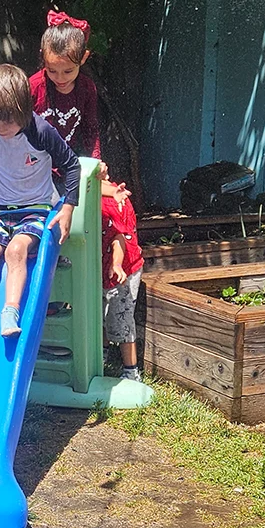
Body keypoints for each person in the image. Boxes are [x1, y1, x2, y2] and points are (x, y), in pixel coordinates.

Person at [0, 64, 81, 340]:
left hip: (36, 209)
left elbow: (73, 165)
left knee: (15, 251)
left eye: (6, 122)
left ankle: (10, 312)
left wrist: (68, 207)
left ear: (23, 110)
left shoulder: (41, 131)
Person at [30, 11, 101, 159]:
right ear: (43, 57)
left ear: (83, 58)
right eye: (52, 70)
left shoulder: (87, 88)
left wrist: (95, 161)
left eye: (68, 71)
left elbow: (90, 129)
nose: (60, 78)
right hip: (34, 166)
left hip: (67, 163)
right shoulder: (33, 87)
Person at [98, 162, 144, 382]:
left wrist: (115, 265)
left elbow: (119, 239)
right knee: (100, 312)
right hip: (98, 266)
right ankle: (102, 356)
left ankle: (131, 370)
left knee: (122, 316)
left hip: (124, 267)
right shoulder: (80, 200)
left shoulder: (114, 201)